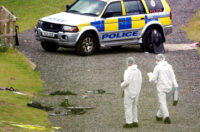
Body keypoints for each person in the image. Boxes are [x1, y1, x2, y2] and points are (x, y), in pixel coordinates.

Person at [149, 54, 178, 124]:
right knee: (164, 102)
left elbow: (153, 79)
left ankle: (166, 117)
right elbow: (173, 77)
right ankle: (159, 115)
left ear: (158, 60)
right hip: (170, 87)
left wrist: (150, 77)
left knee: (163, 103)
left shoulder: (157, 67)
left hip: (161, 88)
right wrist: (176, 86)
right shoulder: (169, 66)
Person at [121, 57, 142, 128]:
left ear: (127, 63)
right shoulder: (138, 71)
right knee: (134, 106)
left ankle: (129, 123)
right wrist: (138, 90)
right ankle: (135, 121)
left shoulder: (127, 71)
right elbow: (140, 81)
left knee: (128, 107)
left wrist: (122, 85)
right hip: (136, 91)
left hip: (129, 92)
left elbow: (126, 82)